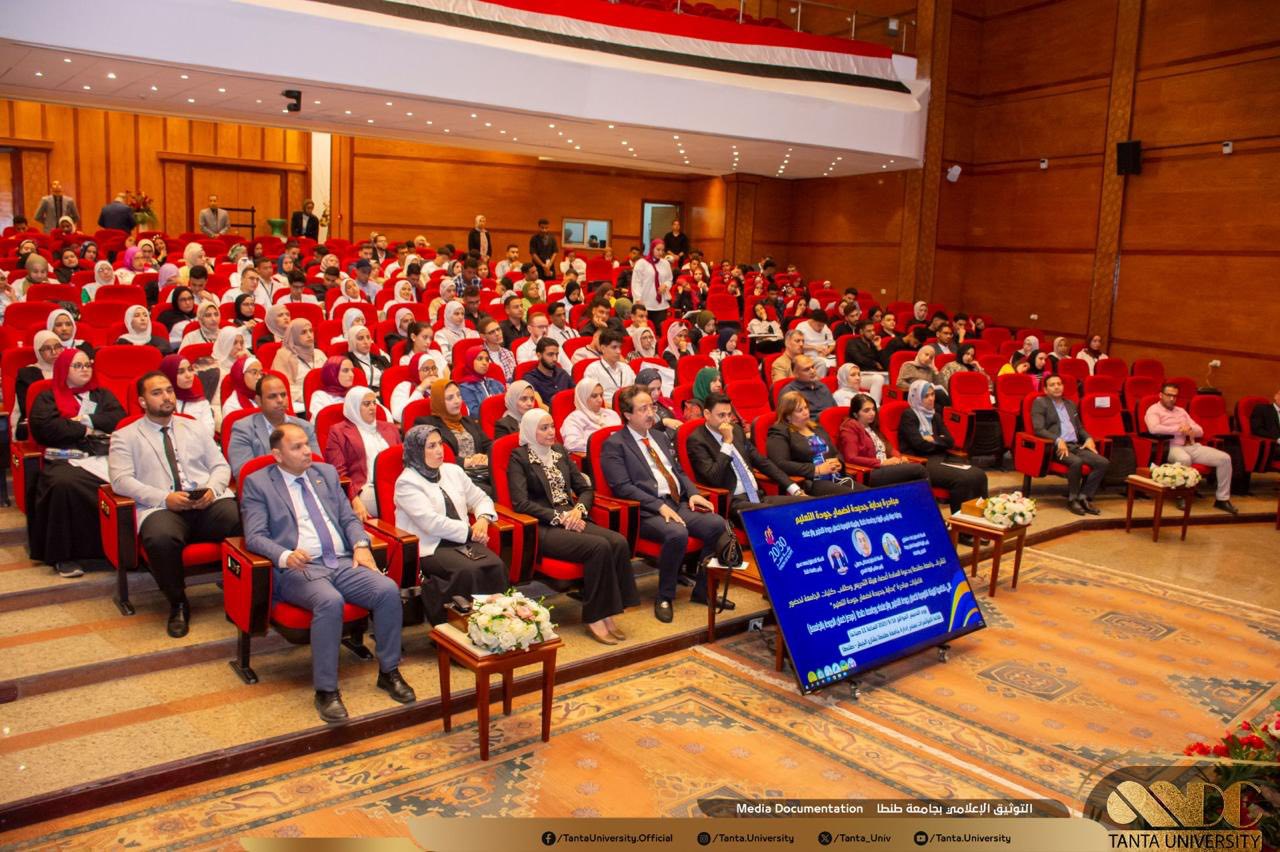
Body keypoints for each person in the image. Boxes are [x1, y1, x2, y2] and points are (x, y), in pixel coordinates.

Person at [241, 422, 413, 722]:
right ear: (278, 455)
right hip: (299, 567)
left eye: (306, 444)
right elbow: (254, 536)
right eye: (296, 447)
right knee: (330, 601)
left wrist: (360, 544)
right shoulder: (258, 483)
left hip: (341, 560)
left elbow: (348, 519)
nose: (307, 451)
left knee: (386, 590)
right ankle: (326, 690)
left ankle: (389, 671)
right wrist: (284, 555)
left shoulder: (326, 474)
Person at [108, 372, 240, 637]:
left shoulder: (194, 427)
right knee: (160, 538)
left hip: (205, 501)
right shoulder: (125, 436)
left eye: (169, 390)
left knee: (243, 518)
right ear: (142, 401)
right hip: (161, 507)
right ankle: (178, 602)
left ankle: (242, 594)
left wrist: (212, 490)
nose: (166, 397)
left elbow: (220, 465)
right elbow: (121, 481)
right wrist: (163, 498)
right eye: (157, 393)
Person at [599, 386, 728, 623]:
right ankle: (665, 596)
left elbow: (678, 471)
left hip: (677, 502)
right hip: (646, 511)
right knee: (677, 533)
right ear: (627, 414)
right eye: (643, 409)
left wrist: (693, 493)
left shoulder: (660, 436)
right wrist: (658, 506)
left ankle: (703, 591)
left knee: (717, 524)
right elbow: (622, 487)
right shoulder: (615, 444)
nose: (651, 413)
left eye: (652, 407)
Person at [509, 409, 637, 644]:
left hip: (573, 516)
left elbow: (585, 489)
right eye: (544, 428)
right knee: (598, 547)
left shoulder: (559, 452)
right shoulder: (519, 457)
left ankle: (610, 612)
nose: (551, 432)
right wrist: (560, 517)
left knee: (618, 542)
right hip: (544, 526)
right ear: (530, 430)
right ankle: (595, 617)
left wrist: (579, 510)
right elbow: (521, 503)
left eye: (552, 426)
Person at [393, 425, 508, 624]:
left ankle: (498, 625)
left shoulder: (453, 471)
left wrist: (482, 519)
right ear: (417, 451)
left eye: (440, 444)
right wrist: (471, 532)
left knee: (495, 566)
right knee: (468, 571)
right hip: (432, 545)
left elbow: (481, 498)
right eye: (431, 446)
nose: (440, 450)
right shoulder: (407, 482)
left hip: (464, 540)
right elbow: (431, 523)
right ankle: (458, 627)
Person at [28, 349, 126, 577]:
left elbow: (118, 418)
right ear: (64, 369)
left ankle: (119, 549)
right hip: (66, 457)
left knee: (128, 479)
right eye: (78, 366)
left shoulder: (101, 394)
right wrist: (87, 430)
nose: (85, 370)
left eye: (87, 365)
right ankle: (64, 556)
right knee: (63, 484)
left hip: (103, 454)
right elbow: (48, 428)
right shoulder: (47, 397)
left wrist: (84, 420)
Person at [688, 392, 804, 522]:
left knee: (807, 505)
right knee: (780, 517)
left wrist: (794, 489)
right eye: (721, 415)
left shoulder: (736, 430)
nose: (727, 420)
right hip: (733, 502)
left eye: (729, 415)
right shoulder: (697, 440)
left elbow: (761, 461)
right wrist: (727, 443)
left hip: (758, 497)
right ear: (707, 414)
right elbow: (713, 477)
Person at [1144, 382, 1238, 514]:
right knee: (1184, 459)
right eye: (1168, 395)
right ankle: (1181, 495)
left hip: (1190, 445)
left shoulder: (1181, 411)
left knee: (1224, 458)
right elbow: (1154, 429)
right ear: (1160, 395)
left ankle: (1222, 499)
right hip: (1170, 447)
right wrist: (1179, 429)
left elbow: (1200, 430)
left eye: (1175, 396)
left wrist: (1190, 429)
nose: (1172, 399)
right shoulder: (1153, 410)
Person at [898, 380, 989, 514]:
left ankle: (979, 517)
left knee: (979, 475)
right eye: (926, 396)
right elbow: (919, 445)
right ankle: (960, 522)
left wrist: (932, 439)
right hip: (922, 462)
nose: (931, 399)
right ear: (916, 398)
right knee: (962, 479)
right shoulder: (909, 415)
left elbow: (950, 441)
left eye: (932, 394)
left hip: (942, 457)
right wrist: (939, 441)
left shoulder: (935, 415)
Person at [1032, 375, 1110, 515]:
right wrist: (1057, 440)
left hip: (1075, 445)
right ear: (1045, 389)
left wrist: (1088, 438)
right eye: (1052, 385)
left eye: (1059, 384)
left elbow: (1079, 428)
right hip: (1056, 447)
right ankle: (1072, 499)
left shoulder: (1070, 404)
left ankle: (1084, 496)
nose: (1056, 387)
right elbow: (1038, 429)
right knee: (1076, 462)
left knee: (1102, 462)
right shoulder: (1040, 403)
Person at [324, 387, 399, 521]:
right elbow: (338, 473)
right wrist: (354, 500)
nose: (372, 407)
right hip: (366, 488)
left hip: (397, 484)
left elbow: (402, 460)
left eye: (374, 403)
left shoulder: (390, 428)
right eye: (366, 404)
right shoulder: (338, 432)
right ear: (353, 406)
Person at [767, 391, 859, 497]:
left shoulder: (816, 427)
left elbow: (835, 452)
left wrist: (838, 462)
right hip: (812, 482)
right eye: (800, 410)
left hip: (836, 477)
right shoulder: (779, 431)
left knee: (869, 495)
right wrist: (816, 469)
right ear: (788, 415)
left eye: (806, 407)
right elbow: (780, 463)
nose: (805, 412)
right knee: (855, 498)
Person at [227, 374, 317, 478]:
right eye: (272, 396)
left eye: (283, 395)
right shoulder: (243, 429)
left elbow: (317, 466)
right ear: (259, 401)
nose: (280, 400)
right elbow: (244, 474)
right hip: (265, 486)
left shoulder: (305, 427)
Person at [414, 379, 493, 495]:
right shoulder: (426, 425)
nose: (457, 401)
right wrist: (467, 461)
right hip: (454, 477)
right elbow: (434, 455)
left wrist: (485, 456)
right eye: (450, 398)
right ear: (439, 401)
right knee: (493, 491)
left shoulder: (468, 421)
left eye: (459, 395)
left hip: (481, 471)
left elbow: (489, 444)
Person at [837, 394, 929, 487]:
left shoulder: (871, 427)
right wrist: (881, 463)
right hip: (871, 471)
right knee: (918, 469)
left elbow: (888, 448)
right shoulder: (849, 427)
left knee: (913, 473)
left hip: (885, 466)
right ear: (855, 414)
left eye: (873, 409)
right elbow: (851, 457)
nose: (872, 413)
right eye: (866, 410)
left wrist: (900, 457)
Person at [272, 319, 327, 414]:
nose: (309, 335)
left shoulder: (319, 353)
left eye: (311, 331)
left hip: (323, 399)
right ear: (294, 335)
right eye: (303, 332)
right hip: (301, 403)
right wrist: (309, 396)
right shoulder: (284, 355)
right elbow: (283, 385)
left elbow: (331, 377)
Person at [562, 379, 621, 454]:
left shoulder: (611, 414)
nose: (600, 400)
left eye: (601, 395)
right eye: (594, 396)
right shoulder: (575, 418)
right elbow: (571, 443)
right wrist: (601, 444)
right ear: (583, 397)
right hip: (597, 456)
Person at [159, 355, 215, 435]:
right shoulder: (159, 402)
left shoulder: (201, 402)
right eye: (181, 372)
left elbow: (209, 433)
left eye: (190, 369)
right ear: (169, 374)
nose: (188, 375)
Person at [582, 329, 636, 405]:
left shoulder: (626, 368)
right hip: (606, 409)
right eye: (614, 347)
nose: (619, 351)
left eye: (620, 347)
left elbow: (636, 391)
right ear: (603, 348)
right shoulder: (592, 369)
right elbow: (592, 398)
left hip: (629, 407)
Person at [389, 352, 441, 423]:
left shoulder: (440, 386)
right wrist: (421, 388)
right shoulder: (404, 387)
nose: (432, 373)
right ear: (416, 371)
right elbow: (398, 416)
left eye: (434, 368)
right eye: (426, 369)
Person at [631, 238, 672, 326]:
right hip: (645, 303)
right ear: (652, 249)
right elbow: (636, 283)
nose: (660, 252)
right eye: (658, 250)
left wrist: (665, 285)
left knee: (659, 330)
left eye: (662, 250)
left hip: (661, 305)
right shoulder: (641, 263)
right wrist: (638, 299)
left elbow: (669, 279)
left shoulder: (666, 264)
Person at [457, 348, 505, 416]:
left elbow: (507, 403)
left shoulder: (495, 383)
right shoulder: (465, 388)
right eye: (480, 359)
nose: (485, 363)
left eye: (487, 360)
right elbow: (475, 413)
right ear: (470, 361)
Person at [525, 337, 573, 405]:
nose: (555, 359)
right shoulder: (531, 379)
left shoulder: (562, 373)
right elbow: (536, 405)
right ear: (539, 355)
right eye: (550, 354)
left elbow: (575, 394)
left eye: (556, 354)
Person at [344, 324, 390, 391]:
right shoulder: (346, 361)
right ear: (352, 341)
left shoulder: (381, 359)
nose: (366, 342)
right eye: (360, 338)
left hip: (385, 393)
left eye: (368, 337)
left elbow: (392, 379)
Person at [220, 356, 262, 421]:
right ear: (240, 375)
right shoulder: (232, 406)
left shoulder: (265, 396)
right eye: (254, 373)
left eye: (261, 373)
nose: (259, 377)